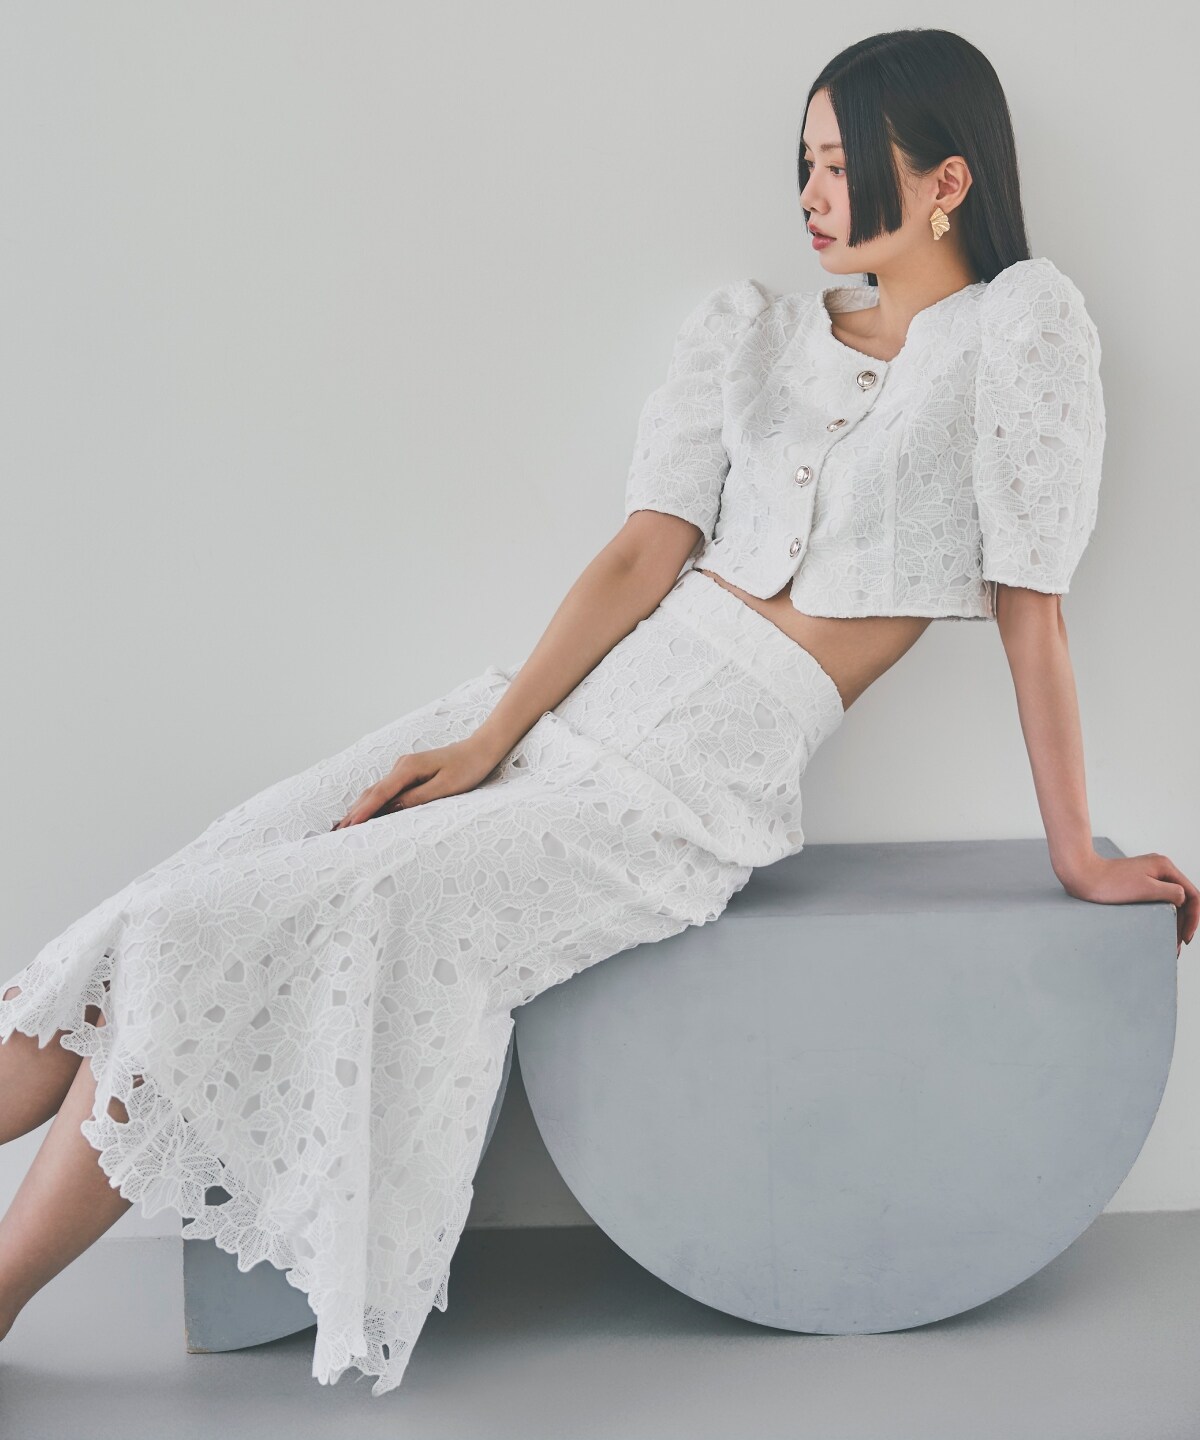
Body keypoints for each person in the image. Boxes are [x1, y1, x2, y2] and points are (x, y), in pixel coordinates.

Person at [0, 25, 1195, 1401]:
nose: (810, 194)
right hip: (563, 718)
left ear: (946, 181)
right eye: (803, 163)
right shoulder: (755, 334)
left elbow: (1034, 610)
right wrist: (487, 740)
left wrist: (1076, 853)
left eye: (840, 164)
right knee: (163, 908)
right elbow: (640, 558)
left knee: (205, 940)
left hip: (682, 789)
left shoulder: (1018, 336)